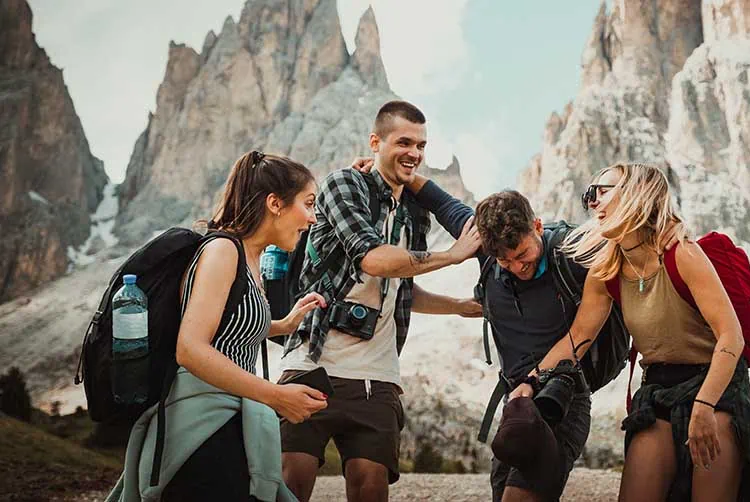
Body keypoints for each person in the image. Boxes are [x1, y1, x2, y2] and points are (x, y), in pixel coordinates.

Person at [532, 162, 750, 501]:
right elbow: (577, 337)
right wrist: (530, 381)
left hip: (716, 386)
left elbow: (731, 336)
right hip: (658, 389)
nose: (592, 201)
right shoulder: (605, 270)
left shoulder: (682, 254)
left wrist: (705, 404)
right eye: (589, 194)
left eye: (602, 191)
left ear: (637, 194)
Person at [279, 100, 483, 502]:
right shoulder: (343, 185)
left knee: (371, 488)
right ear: (375, 142)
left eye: (421, 145)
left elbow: (401, 287)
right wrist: (452, 256)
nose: (415, 153)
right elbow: (373, 259)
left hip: (378, 376)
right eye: (403, 142)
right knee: (289, 485)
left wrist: (458, 306)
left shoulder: (414, 212)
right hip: (313, 362)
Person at [141, 150, 329, 502]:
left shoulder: (251, 258)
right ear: (275, 203)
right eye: (307, 204)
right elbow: (190, 349)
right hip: (201, 425)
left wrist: (283, 324)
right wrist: (276, 396)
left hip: (230, 416)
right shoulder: (223, 250)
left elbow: (227, 325)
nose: (313, 217)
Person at [396, 175, 598, 502]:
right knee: (502, 493)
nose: (517, 267)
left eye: (523, 254)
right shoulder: (487, 250)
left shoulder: (571, 254)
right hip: (517, 402)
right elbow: (442, 203)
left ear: (537, 226)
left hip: (562, 398)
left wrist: (533, 381)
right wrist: (397, 172)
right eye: (506, 261)